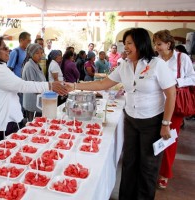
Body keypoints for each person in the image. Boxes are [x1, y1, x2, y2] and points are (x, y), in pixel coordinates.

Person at [66, 28, 176, 200]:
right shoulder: (124, 66)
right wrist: (74, 86)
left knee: (148, 166)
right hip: (131, 120)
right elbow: (102, 84)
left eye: (130, 43)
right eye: (125, 44)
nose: (126, 47)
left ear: (141, 43)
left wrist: (166, 123)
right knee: (130, 162)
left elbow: (171, 93)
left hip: (152, 121)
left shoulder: (156, 64)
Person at [0, 36, 67, 144]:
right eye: (4, 48)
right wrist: (50, 86)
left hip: (4, 120)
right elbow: (23, 85)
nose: (8, 50)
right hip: (2, 122)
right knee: (5, 154)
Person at [153, 29, 195, 189]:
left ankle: (165, 174)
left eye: (159, 44)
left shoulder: (181, 58)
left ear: (168, 44)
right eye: (155, 44)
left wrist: (176, 81)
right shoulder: (155, 60)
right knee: (155, 138)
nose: (156, 47)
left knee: (169, 140)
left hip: (174, 106)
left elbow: (193, 77)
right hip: (156, 104)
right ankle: (155, 169)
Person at [22, 43, 46, 121]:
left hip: (38, 100)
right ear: (31, 54)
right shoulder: (29, 66)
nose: (40, 55)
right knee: (32, 123)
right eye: (37, 53)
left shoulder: (36, 64)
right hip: (32, 101)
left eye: (41, 53)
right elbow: (32, 86)